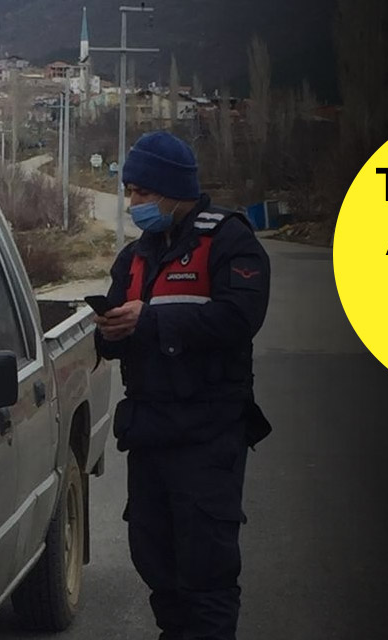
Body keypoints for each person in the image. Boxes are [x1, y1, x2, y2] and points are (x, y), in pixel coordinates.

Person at [93, 130, 272, 640]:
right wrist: (109, 333)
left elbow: (241, 318)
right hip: (150, 433)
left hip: (208, 434)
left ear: (175, 190)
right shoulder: (134, 258)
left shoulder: (230, 239)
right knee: (156, 562)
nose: (133, 204)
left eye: (142, 193)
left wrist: (150, 322)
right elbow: (116, 336)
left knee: (206, 572)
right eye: (129, 192)